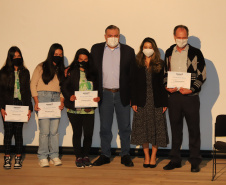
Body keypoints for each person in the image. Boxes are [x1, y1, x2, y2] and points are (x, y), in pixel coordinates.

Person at [90, 25, 135, 167]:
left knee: (125, 127)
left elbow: (132, 76)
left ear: (119, 36)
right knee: (105, 127)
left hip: (123, 94)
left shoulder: (128, 51)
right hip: (104, 94)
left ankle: (126, 154)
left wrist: (132, 96)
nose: (113, 38)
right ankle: (105, 154)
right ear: (105, 36)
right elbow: (91, 72)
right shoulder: (96, 49)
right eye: (110, 35)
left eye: (116, 35)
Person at [163, 25, 206, 172]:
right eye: (179, 37)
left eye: (184, 37)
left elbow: (202, 74)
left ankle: (195, 161)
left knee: (194, 129)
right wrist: (166, 86)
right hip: (174, 97)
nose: (182, 40)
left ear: (187, 36)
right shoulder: (169, 52)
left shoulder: (196, 52)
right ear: (174, 36)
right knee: (175, 129)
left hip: (191, 98)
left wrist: (192, 89)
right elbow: (165, 73)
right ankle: (175, 159)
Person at [131, 37, 169, 168]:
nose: (148, 49)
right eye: (145, 47)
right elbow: (134, 84)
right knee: (143, 130)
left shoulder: (161, 63)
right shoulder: (137, 63)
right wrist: (133, 101)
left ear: (154, 48)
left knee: (156, 129)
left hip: (156, 101)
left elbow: (164, 84)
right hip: (141, 101)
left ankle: (154, 156)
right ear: (142, 48)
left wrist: (165, 102)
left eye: (150, 47)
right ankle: (146, 156)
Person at [61, 48, 100, 168]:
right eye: (80, 59)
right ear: (77, 59)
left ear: (89, 60)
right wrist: (69, 96)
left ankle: (86, 156)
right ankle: (78, 156)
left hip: (89, 108)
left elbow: (98, 88)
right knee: (77, 133)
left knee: (88, 134)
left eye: (85, 59)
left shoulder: (93, 72)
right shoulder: (71, 71)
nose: (83, 61)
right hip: (74, 109)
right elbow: (64, 87)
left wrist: (98, 98)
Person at [30, 43, 65, 167]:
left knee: (54, 131)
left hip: (56, 98)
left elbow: (63, 88)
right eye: (56, 54)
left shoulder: (62, 69)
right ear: (51, 54)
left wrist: (62, 101)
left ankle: (54, 155)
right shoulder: (41, 66)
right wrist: (36, 102)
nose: (58, 56)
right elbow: (33, 84)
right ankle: (43, 156)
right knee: (44, 131)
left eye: (60, 54)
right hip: (43, 98)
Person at [0, 46, 33, 169]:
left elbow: (27, 92)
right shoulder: (3, 71)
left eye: (19, 56)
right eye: (14, 57)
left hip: (21, 105)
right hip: (7, 105)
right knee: (8, 133)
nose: (17, 58)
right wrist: (2, 108)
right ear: (10, 58)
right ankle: (7, 158)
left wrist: (29, 108)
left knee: (18, 133)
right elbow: (1, 92)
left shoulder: (25, 72)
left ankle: (18, 158)